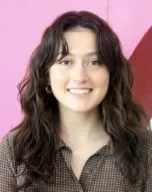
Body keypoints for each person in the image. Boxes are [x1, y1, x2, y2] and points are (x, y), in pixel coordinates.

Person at [0, 10, 152, 192]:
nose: (80, 76)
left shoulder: (146, 151)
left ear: (111, 74)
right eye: (65, 62)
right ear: (46, 75)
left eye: (94, 62)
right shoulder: (14, 150)